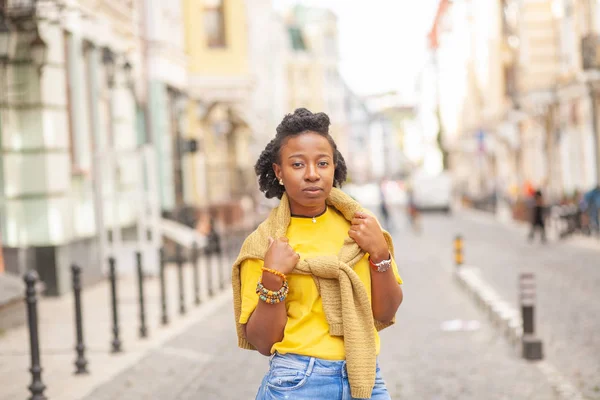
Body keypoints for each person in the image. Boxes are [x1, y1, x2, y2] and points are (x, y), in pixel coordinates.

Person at [231, 109, 404, 400]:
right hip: (296, 381)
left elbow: (386, 312)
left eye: (322, 163)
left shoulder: (360, 228)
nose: (312, 174)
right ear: (279, 172)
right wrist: (273, 278)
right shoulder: (264, 244)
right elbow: (262, 341)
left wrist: (380, 254)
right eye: (298, 164)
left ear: (334, 168)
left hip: (364, 377)